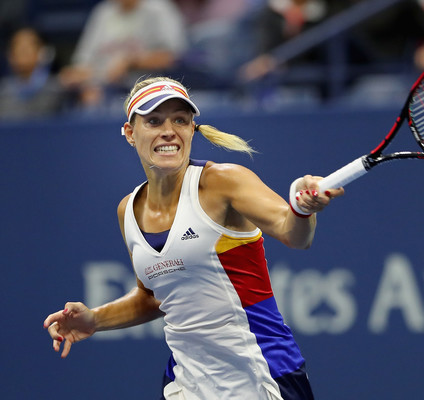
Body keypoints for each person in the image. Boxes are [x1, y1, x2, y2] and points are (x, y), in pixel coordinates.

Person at [43, 76, 344, 399]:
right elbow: (153, 297)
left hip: (261, 373)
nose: (168, 130)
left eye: (180, 120)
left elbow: (294, 234)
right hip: (187, 384)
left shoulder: (223, 182)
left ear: (191, 129)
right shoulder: (127, 211)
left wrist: (302, 208)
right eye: (154, 121)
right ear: (131, 133)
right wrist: (95, 319)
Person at [59, 0, 188, 111]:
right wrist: (81, 80)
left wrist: (131, 62)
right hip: (99, 86)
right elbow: (83, 62)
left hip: (142, 87)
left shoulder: (158, 9)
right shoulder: (103, 12)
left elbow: (172, 57)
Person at [0, 27, 65, 120]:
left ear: (43, 52)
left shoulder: (58, 89)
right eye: (17, 46)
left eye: (29, 46)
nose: (22, 51)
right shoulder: (3, 92)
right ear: (10, 56)